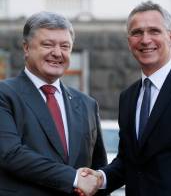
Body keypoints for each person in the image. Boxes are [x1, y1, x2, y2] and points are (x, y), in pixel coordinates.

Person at [80, 0, 171, 196]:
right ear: (129, 42)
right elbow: (129, 161)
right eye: (137, 33)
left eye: (154, 31)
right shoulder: (128, 97)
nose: (145, 40)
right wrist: (101, 178)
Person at [0, 11, 107, 196]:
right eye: (47, 44)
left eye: (65, 46)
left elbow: (97, 168)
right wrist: (73, 179)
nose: (57, 53)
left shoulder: (87, 105)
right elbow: (10, 154)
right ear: (26, 48)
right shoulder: (5, 95)